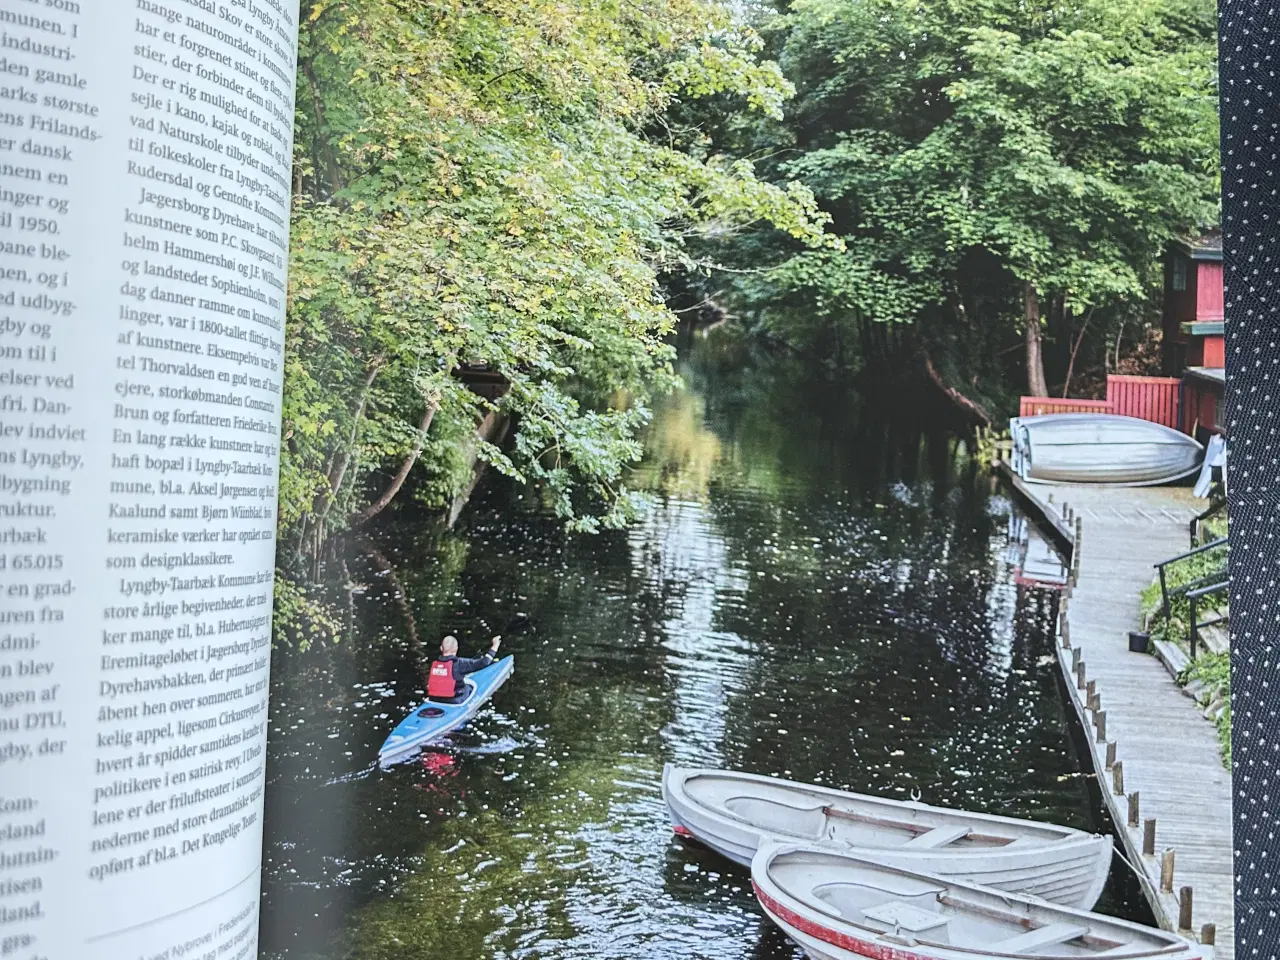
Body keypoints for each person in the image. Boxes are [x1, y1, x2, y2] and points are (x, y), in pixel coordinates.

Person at [426, 634, 502, 704]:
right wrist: (495, 645)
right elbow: (485, 662)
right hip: (453, 700)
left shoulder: (435, 664)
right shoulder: (460, 663)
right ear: (456, 648)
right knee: (468, 687)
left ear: (441, 648)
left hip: (434, 699)